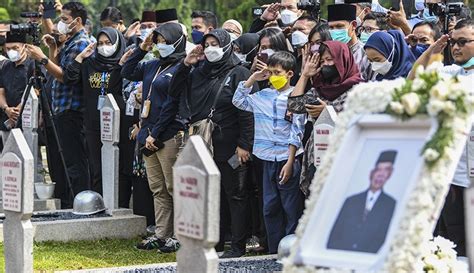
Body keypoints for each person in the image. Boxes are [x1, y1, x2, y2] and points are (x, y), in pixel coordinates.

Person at [168, 29, 255, 258]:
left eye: (215, 43)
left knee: (235, 194)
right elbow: (174, 90)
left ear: (227, 45)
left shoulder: (239, 72)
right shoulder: (199, 72)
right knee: (210, 195)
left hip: (230, 145)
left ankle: (237, 245)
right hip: (203, 144)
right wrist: (186, 63)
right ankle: (216, 242)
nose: (210, 48)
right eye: (206, 44)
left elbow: (247, 112)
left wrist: (245, 144)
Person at [408, 19, 474, 256]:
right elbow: (412, 83)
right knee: (453, 243)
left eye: (463, 42)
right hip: (451, 177)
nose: (456, 48)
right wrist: (431, 51)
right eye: (453, 43)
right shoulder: (448, 72)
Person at [122, 22, 186, 253]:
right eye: (158, 41)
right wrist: (143, 47)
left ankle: (179, 235)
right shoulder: (152, 65)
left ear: (177, 42)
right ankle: (161, 234)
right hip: (148, 134)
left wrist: (156, 133)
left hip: (168, 133)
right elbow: (127, 71)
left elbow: (172, 105)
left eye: (165, 41)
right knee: (158, 188)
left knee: (173, 187)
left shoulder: (182, 67)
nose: (161, 45)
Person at [233, 51, 305, 254]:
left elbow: (297, 130)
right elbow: (238, 101)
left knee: (291, 207)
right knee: (270, 206)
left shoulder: (295, 96)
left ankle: (292, 250)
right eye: (270, 72)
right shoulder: (261, 96)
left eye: (277, 72)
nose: (273, 76)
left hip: (286, 158)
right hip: (264, 158)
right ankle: (275, 250)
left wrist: (290, 162)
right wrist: (253, 78)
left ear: (290, 73)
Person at [26, 1, 91, 208]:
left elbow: (65, 77)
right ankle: (66, 203)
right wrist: (53, 48)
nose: (59, 24)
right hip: (61, 109)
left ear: (77, 20)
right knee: (64, 162)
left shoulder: (81, 42)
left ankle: (79, 204)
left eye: (64, 19)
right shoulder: (70, 41)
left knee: (75, 163)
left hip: (72, 110)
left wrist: (43, 58)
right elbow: (56, 71)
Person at [288, 41, 363, 197]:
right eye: (322, 61)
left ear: (342, 59)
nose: (326, 64)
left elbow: (359, 124)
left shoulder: (359, 90)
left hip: (344, 160)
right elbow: (294, 106)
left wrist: (328, 112)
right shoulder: (320, 88)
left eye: (330, 59)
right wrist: (305, 75)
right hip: (317, 158)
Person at [62, 27, 127, 199]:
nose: (104, 47)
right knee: (97, 168)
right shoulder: (90, 64)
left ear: (117, 43)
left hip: (118, 123)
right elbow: (69, 78)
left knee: (118, 167)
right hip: (93, 123)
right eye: (100, 43)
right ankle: (100, 205)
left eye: (108, 43)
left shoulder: (124, 64)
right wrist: (80, 57)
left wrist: (120, 66)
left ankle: (119, 205)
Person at [327, 150, 397, 254]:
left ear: (390, 174)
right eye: (378, 170)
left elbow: (383, 237)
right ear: (371, 173)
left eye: (386, 170)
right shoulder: (351, 201)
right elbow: (335, 235)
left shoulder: (390, 204)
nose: (380, 175)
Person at [327, 4, 374, 81]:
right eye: (331, 27)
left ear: (353, 25)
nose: (334, 31)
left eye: (339, 26)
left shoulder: (366, 54)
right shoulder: (328, 55)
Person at [0, 31, 34, 132]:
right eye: (8, 49)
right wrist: (6, 109)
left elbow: (36, 91)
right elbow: (1, 91)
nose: (11, 51)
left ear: (24, 47)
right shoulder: (5, 66)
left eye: (15, 48)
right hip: (6, 118)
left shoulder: (33, 65)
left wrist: (17, 111)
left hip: (27, 118)